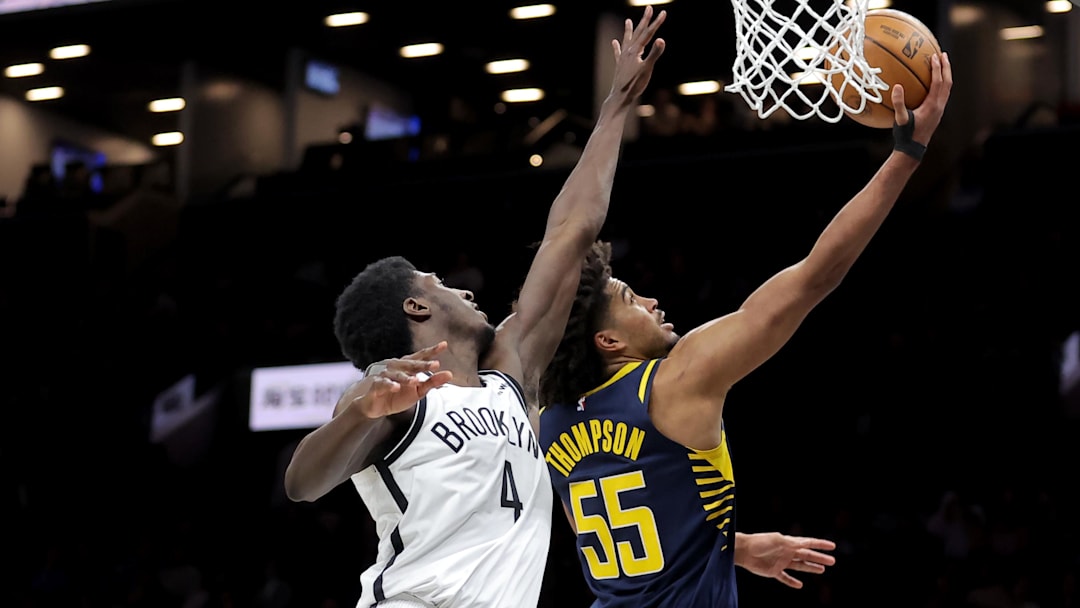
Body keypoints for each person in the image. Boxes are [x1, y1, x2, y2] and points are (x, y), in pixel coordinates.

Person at [282, 7, 668, 608]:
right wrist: (358, 414)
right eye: (438, 282)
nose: (462, 290)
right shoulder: (390, 392)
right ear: (415, 306)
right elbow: (302, 485)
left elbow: (570, 232)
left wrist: (615, 106)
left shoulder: (512, 373)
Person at [538, 53, 954, 607]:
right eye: (632, 300)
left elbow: (618, 533)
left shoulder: (548, 422)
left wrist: (734, 547)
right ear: (607, 342)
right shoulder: (676, 380)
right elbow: (815, 277)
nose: (652, 302)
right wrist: (907, 154)